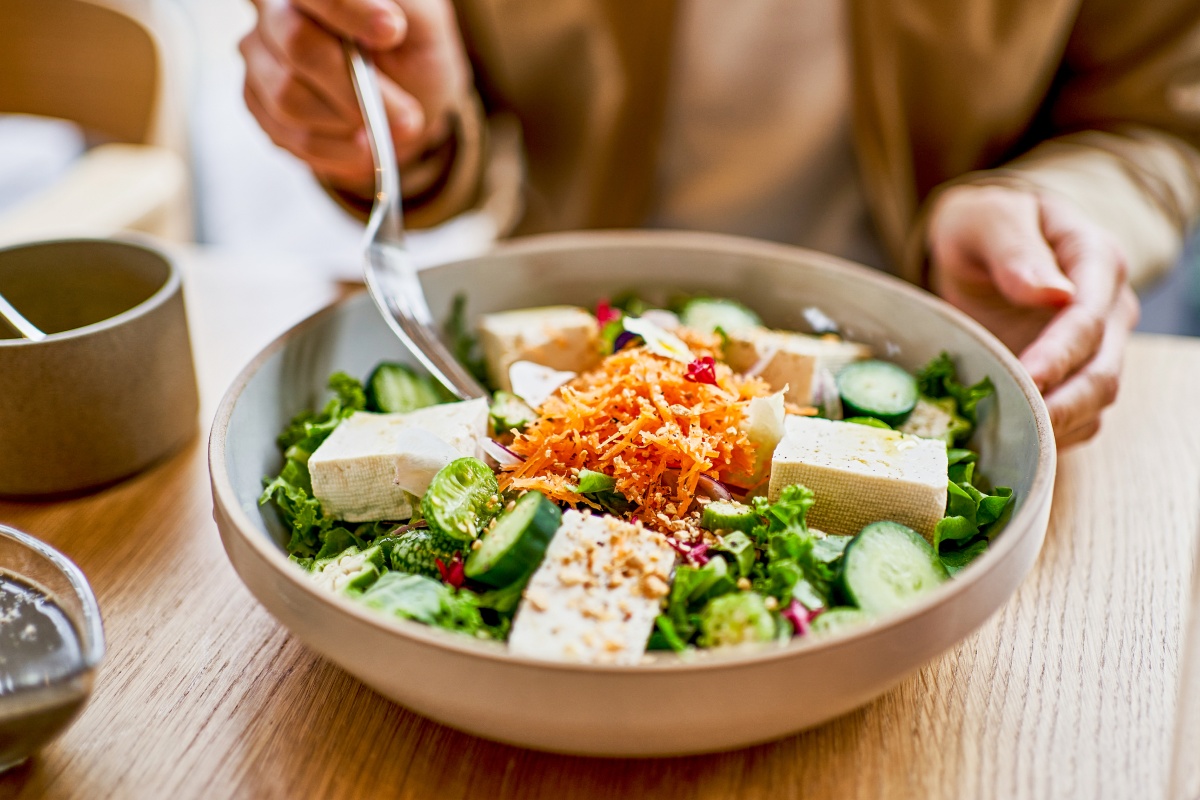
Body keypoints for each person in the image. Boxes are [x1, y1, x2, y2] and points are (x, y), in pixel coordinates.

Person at [239, 0, 1200, 447]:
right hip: (560, 309)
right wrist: (393, 115)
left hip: (937, 324)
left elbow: (1156, 113)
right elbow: (443, 99)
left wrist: (1059, 209)